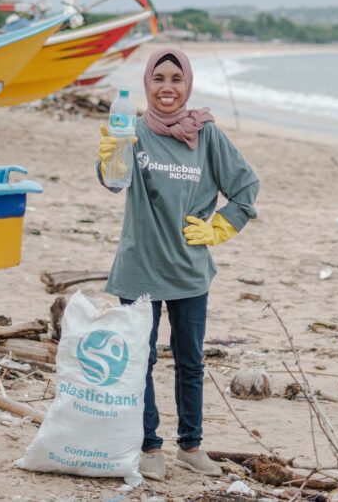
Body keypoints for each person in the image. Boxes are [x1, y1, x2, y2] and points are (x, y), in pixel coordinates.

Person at [96, 46, 259, 482]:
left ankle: (191, 446)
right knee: (139, 361)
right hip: (139, 267)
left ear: (188, 84)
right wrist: (110, 154)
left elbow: (246, 186)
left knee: (190, 361)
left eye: (176, 79)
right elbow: (115, 183)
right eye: (158, 79)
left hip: (189, 270)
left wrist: (219, 228)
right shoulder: (131, 129)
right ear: (147, 84)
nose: (167, 88)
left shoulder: (206, 135)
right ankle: (149, 446)